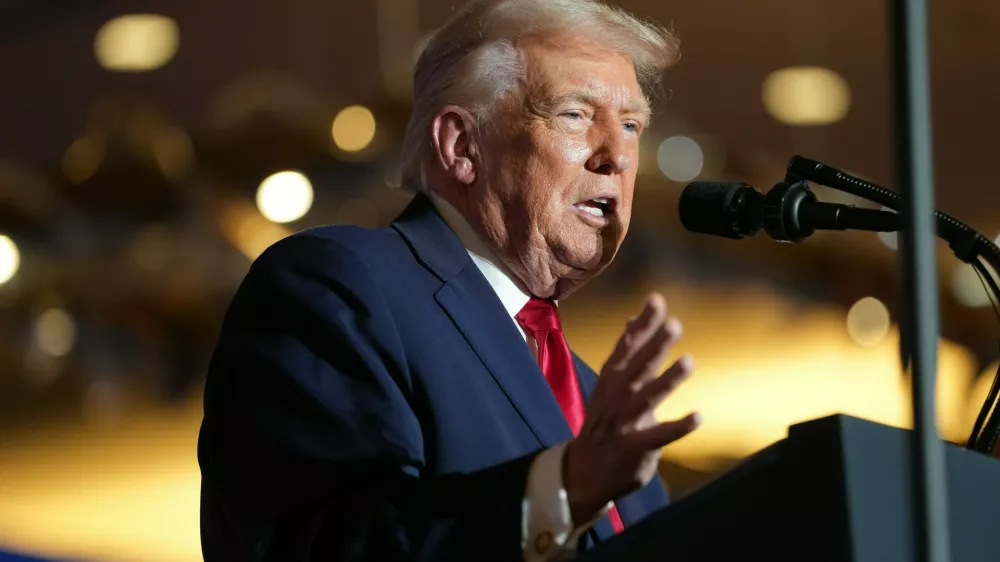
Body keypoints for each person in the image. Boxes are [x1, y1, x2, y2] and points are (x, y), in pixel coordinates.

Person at [197, 0, 702, 560]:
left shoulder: (591, 400)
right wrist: (564, 489)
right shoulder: (338, 288)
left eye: (631, 125)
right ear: (462, 146)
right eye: (575, 115)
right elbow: (325, 546)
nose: (617, 158)